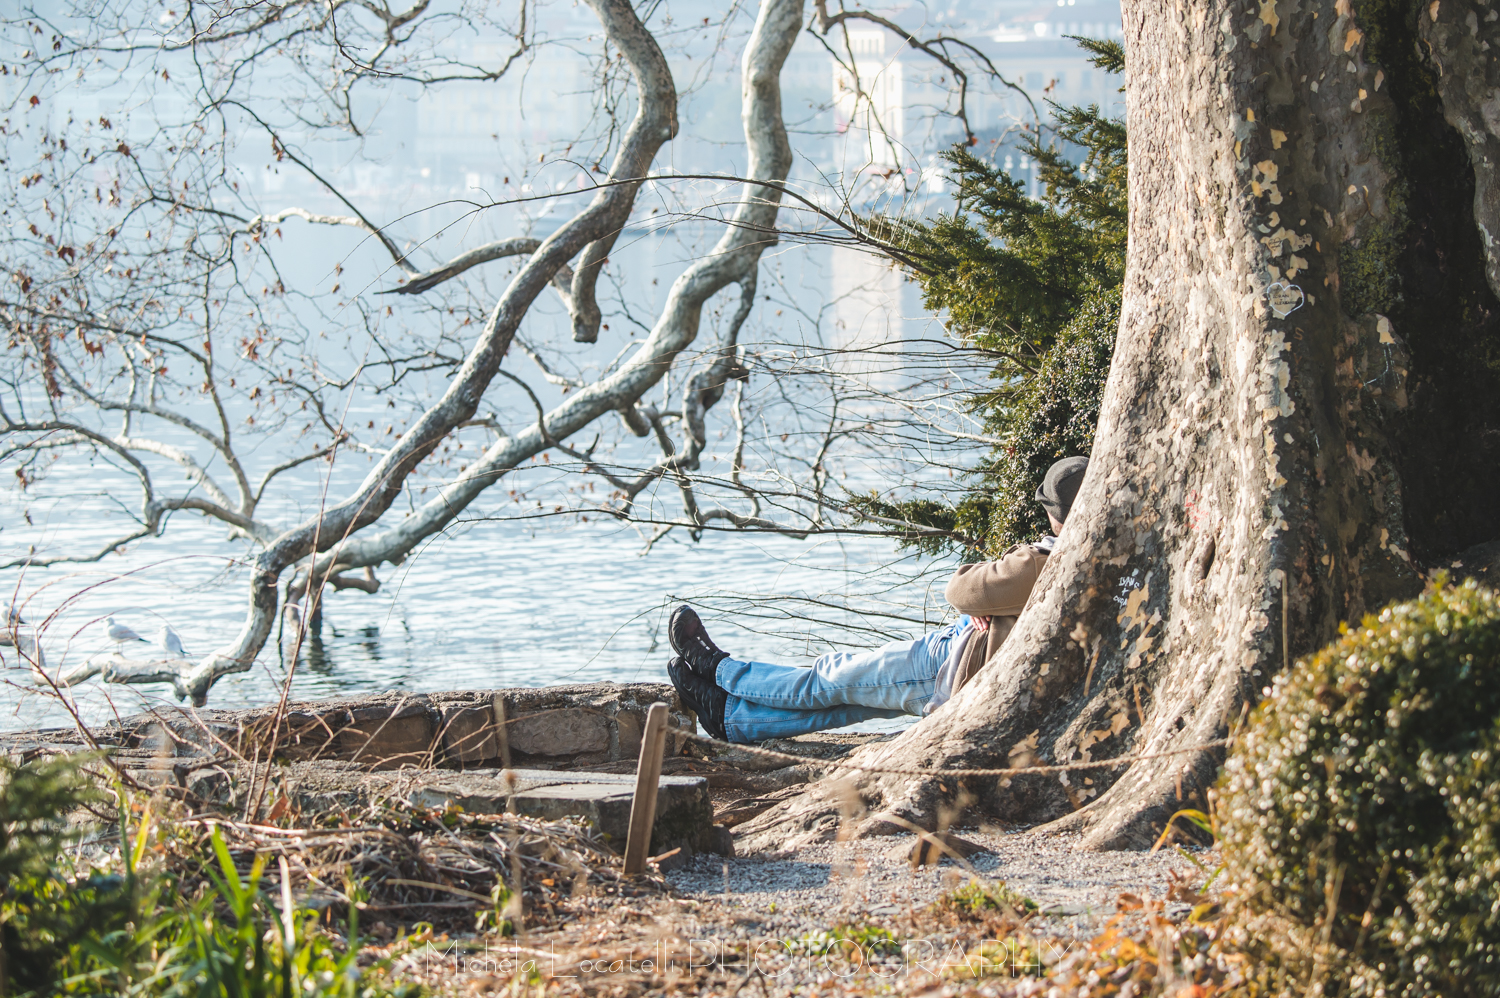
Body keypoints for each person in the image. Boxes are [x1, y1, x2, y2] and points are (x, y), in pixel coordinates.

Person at [666, 456, 1090, 743]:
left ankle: (720, 669)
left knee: (828, 679)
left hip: (950, 662)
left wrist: (984, 602)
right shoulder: (1094, 563)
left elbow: (960, 588)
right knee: (845, 705)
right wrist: (991, 605)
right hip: (965, 665)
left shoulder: (1042, 563)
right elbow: (981, 596)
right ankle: (731, 719)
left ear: (1054, 515)